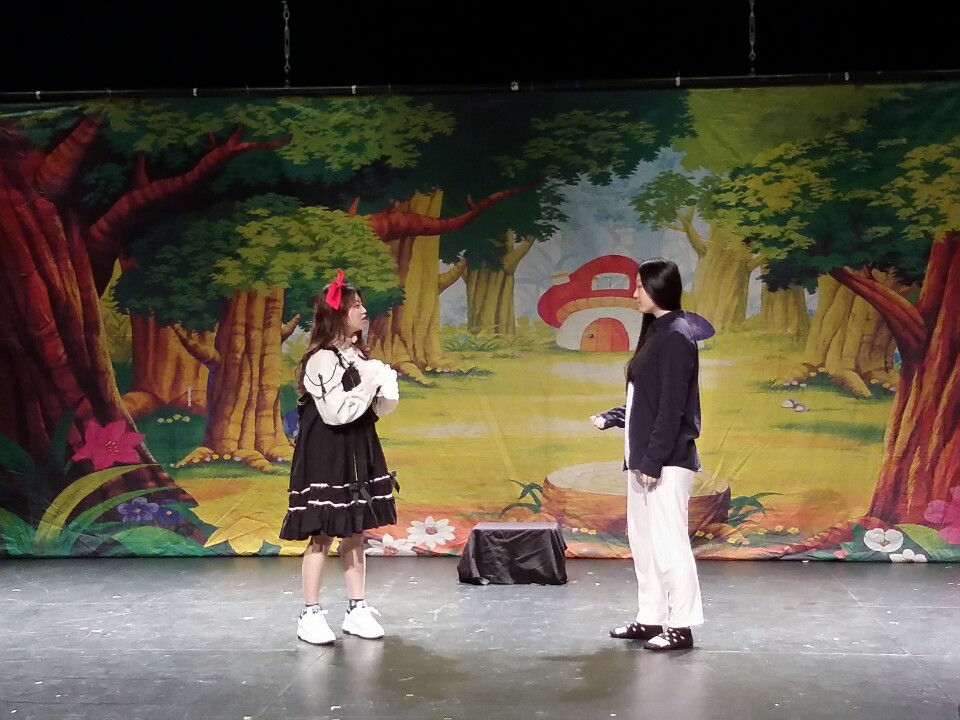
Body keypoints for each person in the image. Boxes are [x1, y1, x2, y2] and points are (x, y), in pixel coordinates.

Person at [279, 269, 401, 645]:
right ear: (337, 314)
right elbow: (336, 413)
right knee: (322, 533)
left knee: (355, 530)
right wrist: (369, 382)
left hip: (357, 449)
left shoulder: (356, 355)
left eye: (362, 304)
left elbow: (371, 409)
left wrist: (385, 387)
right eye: (356, 306)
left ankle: (357, 608)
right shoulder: (321, 359)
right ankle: (310, 613)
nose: (364, 311)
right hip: (327, 451)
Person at [590, 257, 704, 651]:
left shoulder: (677, 335)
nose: (634, 292)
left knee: (669, 544)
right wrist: (614, 417)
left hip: (666, 462)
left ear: (659, 287)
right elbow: (646, 400)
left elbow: (672, 407)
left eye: (640, 285)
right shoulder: (657, 331)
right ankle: (650, 617)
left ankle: (681, 625)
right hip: (644, 460)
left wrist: (653, 460)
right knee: (645, 543)